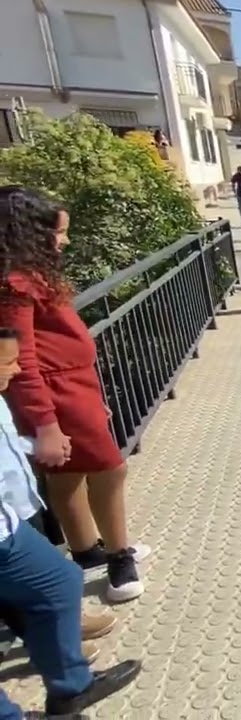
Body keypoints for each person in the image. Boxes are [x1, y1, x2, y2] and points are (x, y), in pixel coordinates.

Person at [0, 187, 149, 604]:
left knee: (67, 473)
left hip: (71, 385)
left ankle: (86, 549)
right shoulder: (15, 284)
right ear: (30, 233)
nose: (64, 241)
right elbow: (20, 357)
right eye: (59, 232)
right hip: (55, 391)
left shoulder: (28, 277)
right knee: (110, 469)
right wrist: (45, 423)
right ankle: (120, 559)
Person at [0, 326, 143, 717]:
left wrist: (43, 442)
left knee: (59, 582)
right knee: (53, 584)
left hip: (10, 522)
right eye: (8, 362)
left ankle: (69, 687)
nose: (16, 372)